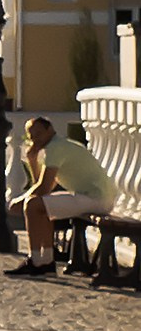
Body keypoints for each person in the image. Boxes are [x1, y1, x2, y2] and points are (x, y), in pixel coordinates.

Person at [7, 113, 118, 278]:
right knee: (40, 207)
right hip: (95, 197)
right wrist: (32, 160)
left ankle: (36, 261)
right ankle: (45, 261)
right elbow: (43, 186)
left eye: (38, 134)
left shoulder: (56, 148)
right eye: (31, 136)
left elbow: (43, 189)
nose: (35, 139)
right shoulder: (56, 147)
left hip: (96, 197)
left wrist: (20, 202)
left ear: (49, 130)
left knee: (33, 205)